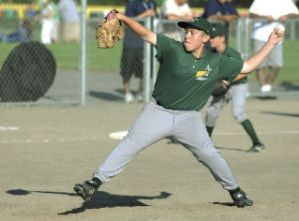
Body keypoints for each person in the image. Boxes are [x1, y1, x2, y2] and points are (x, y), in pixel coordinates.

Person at [73, 12, 283, 208]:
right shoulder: (171, 48)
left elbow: (247, 67)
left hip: (190, 119)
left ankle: (235, 191)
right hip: (157, 113)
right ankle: (94, 182)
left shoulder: (216, 62)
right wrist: (122, 18)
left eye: (193, 32)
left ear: (205, 38)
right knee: (130, 144)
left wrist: (270, 43)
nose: (187, 36)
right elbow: (145, 33)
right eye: (186, 31)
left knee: (210, 155)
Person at [205, 23, 265, 153]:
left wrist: (227, 81)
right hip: (223, 84)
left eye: (214, 37)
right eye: (210, 37)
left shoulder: (232, 54)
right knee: (211, 112)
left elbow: (243, 71)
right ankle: (205, 143)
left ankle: (257, 143)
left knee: (238, 113)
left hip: (238, 84)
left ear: (222, 38)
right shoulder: (211, 53)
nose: (211, 40)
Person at [249, 0, 299, 93]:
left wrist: (287, 16)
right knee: (259, 65)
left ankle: (267, 86)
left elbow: (296, 14)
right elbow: (251, 14)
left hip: (277, 37)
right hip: (259, 36)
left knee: (277, 65)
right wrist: (264, 17)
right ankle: (264, 89)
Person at [120, 0, 157, 103]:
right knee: (128, 68)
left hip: (146, 41)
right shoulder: (133, 4)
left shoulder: (152, 3)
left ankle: (140, 92)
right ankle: (127, 93)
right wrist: (145, 14)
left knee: (144, 69)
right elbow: (128, 21)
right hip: (132, 41)